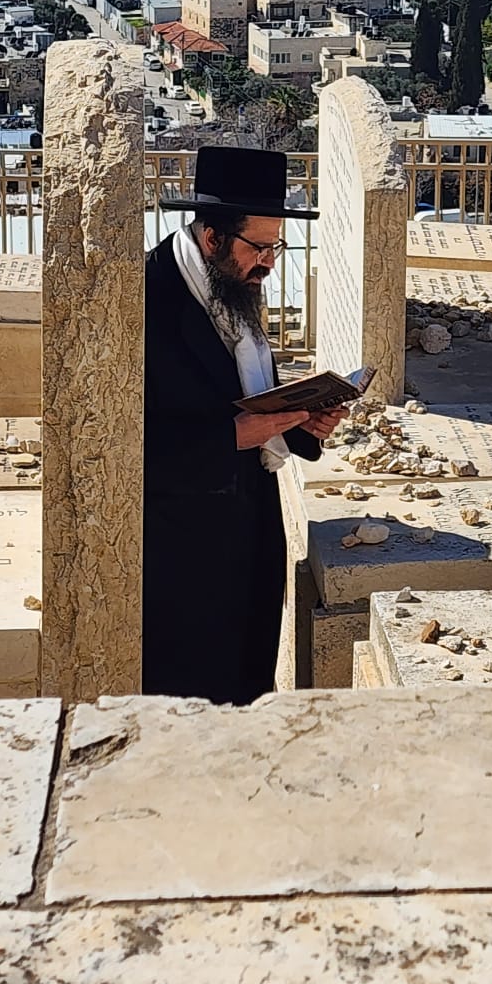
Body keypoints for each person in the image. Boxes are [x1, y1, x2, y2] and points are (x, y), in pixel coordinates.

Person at [143, 145, 348, 705]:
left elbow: (254, 396)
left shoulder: (234, 284)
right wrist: (235, 436)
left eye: (276, 245)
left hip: (252, 528)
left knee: (251, 688)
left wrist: (307, 422)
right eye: (261, 247)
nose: (271, 262)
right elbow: (128, 444)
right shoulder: (147, 300)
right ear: (212, 237)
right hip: (183, 560)